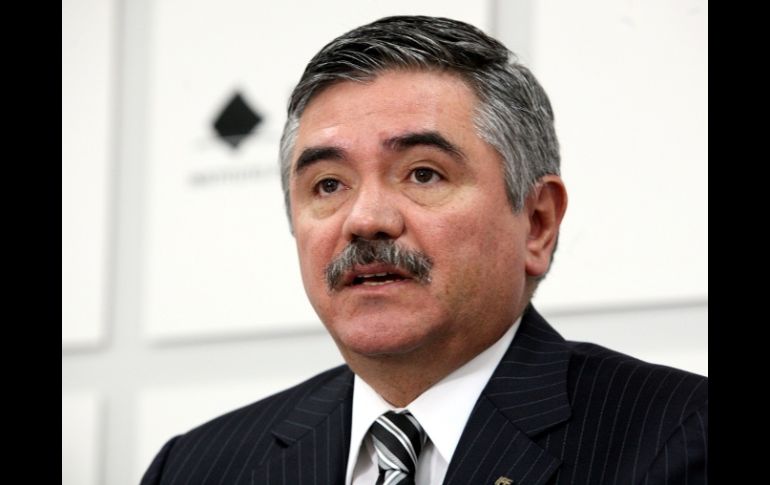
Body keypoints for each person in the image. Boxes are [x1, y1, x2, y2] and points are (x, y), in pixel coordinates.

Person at [141, 15, 707, 485]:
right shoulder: (196, 467)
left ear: (537, 223)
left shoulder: (679, 438)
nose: (365, 220)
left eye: (423, 174)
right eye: (329, 185)